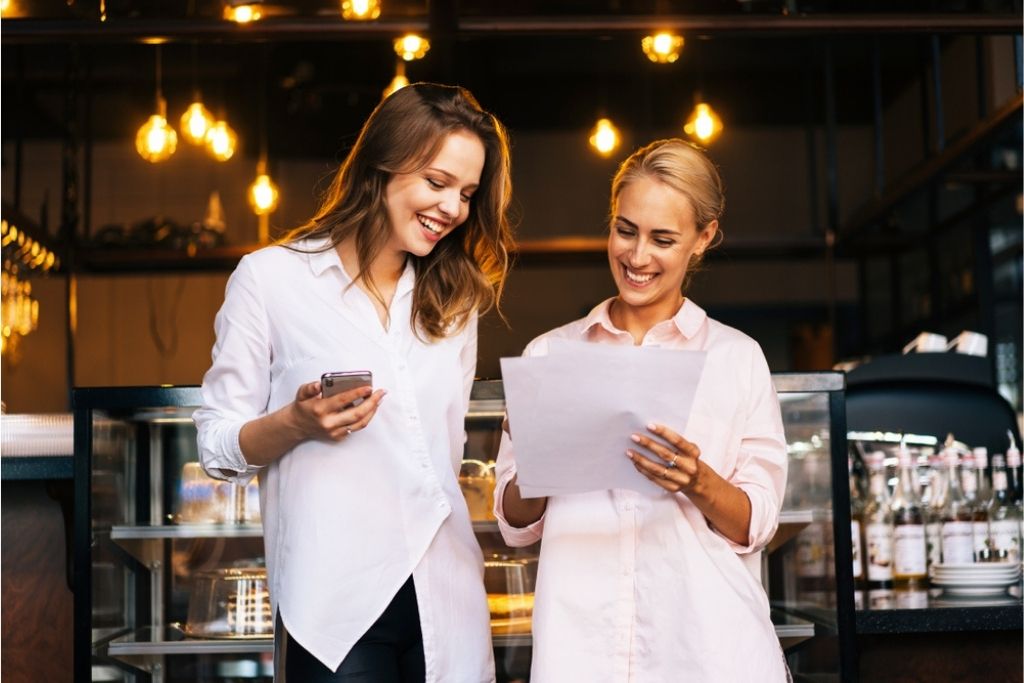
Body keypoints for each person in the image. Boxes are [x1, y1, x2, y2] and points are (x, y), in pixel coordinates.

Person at [194, 83, 515, 683]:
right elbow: (215, 445)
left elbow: (443, 452)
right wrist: (294, 422)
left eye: (467, 194)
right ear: (381, 166)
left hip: (444, 588)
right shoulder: (271, 280)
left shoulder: (455, 299)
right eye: (437, 182)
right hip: (335, 602)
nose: (452, 208)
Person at [494, 139, 790, 681]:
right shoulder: (551, 354)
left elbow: (758, 523)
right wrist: (541, 456)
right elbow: (514, 523)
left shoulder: (736, 358)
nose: (636, 256)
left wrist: (697, 480)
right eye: (625, 230)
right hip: (580, 652)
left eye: (663, 239)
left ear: (704, 238)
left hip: (709, 651)